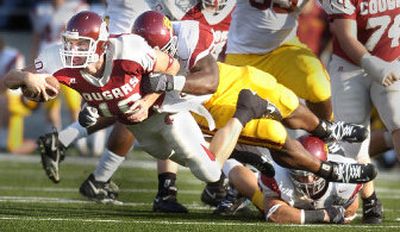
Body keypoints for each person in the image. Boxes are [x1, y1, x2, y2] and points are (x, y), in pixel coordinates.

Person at [5, 11, 225, 200]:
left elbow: (173, 66)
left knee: (201, 164)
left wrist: (147, 101)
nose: (73, 49)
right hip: (139, 128)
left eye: (81, 43)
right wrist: (27, 78)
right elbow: (8, 79)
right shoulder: (57, 58)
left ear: (100, 44)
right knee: (173, 156)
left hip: (166, 111)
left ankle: (224, 180)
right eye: (70, 42)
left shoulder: (131, 49)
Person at [320, 0, 400, 223]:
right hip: (349, 68)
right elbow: (345, 36)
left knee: (398, 120)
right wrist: (372, 64)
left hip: (393, 61)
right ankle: (371, 199)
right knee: (353, 142)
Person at [259, 135, 361, 224]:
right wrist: (324, 215)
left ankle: (372, 208)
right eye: (301, 175)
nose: (309, 180)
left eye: (315, 174)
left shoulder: (344, 171)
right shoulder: (277, 174)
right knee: (254, 192)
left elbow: (349, 212)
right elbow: (274, 214)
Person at [0, 36, 37, 154]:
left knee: (14, 149)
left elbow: (11, 82)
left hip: (16, 99)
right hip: (7, 98)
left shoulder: (12, 56)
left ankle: (43, 143)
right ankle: (3, 142)